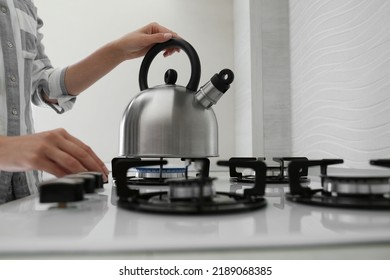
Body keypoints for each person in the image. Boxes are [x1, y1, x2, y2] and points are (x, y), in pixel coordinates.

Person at [0, 0, 178, 203]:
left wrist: (119, 51)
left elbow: (43, 86)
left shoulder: (22, 4)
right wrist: (8, 149)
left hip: (22, 196)